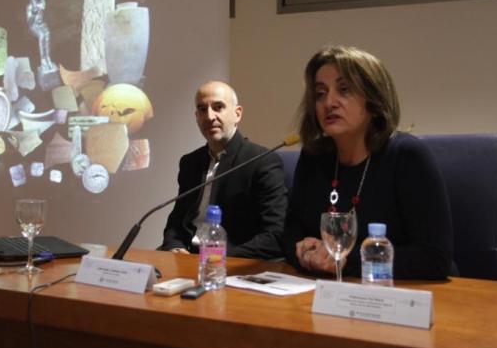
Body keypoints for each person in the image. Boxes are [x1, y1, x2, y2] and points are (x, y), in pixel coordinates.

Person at [282, 46, 453, 279]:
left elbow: (434, 258)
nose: (329, 102)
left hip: (398, 293)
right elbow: (290, 233)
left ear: (373, 100)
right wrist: (305, 253)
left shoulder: (407, 156)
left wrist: (342, 261)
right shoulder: (314, 156)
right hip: (323, 289)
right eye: (320, 93)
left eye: (344, 90)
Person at [159, 81, 288, 259]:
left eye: (218, 107)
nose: (209, 116)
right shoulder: (190, 162)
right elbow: (176, 222)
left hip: (231, 261)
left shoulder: (262, 161)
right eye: (202, 109)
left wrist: (216, 257)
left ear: (237, 114)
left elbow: (275, 234)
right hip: (188, 257)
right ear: (196, 117)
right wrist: (175, 247)